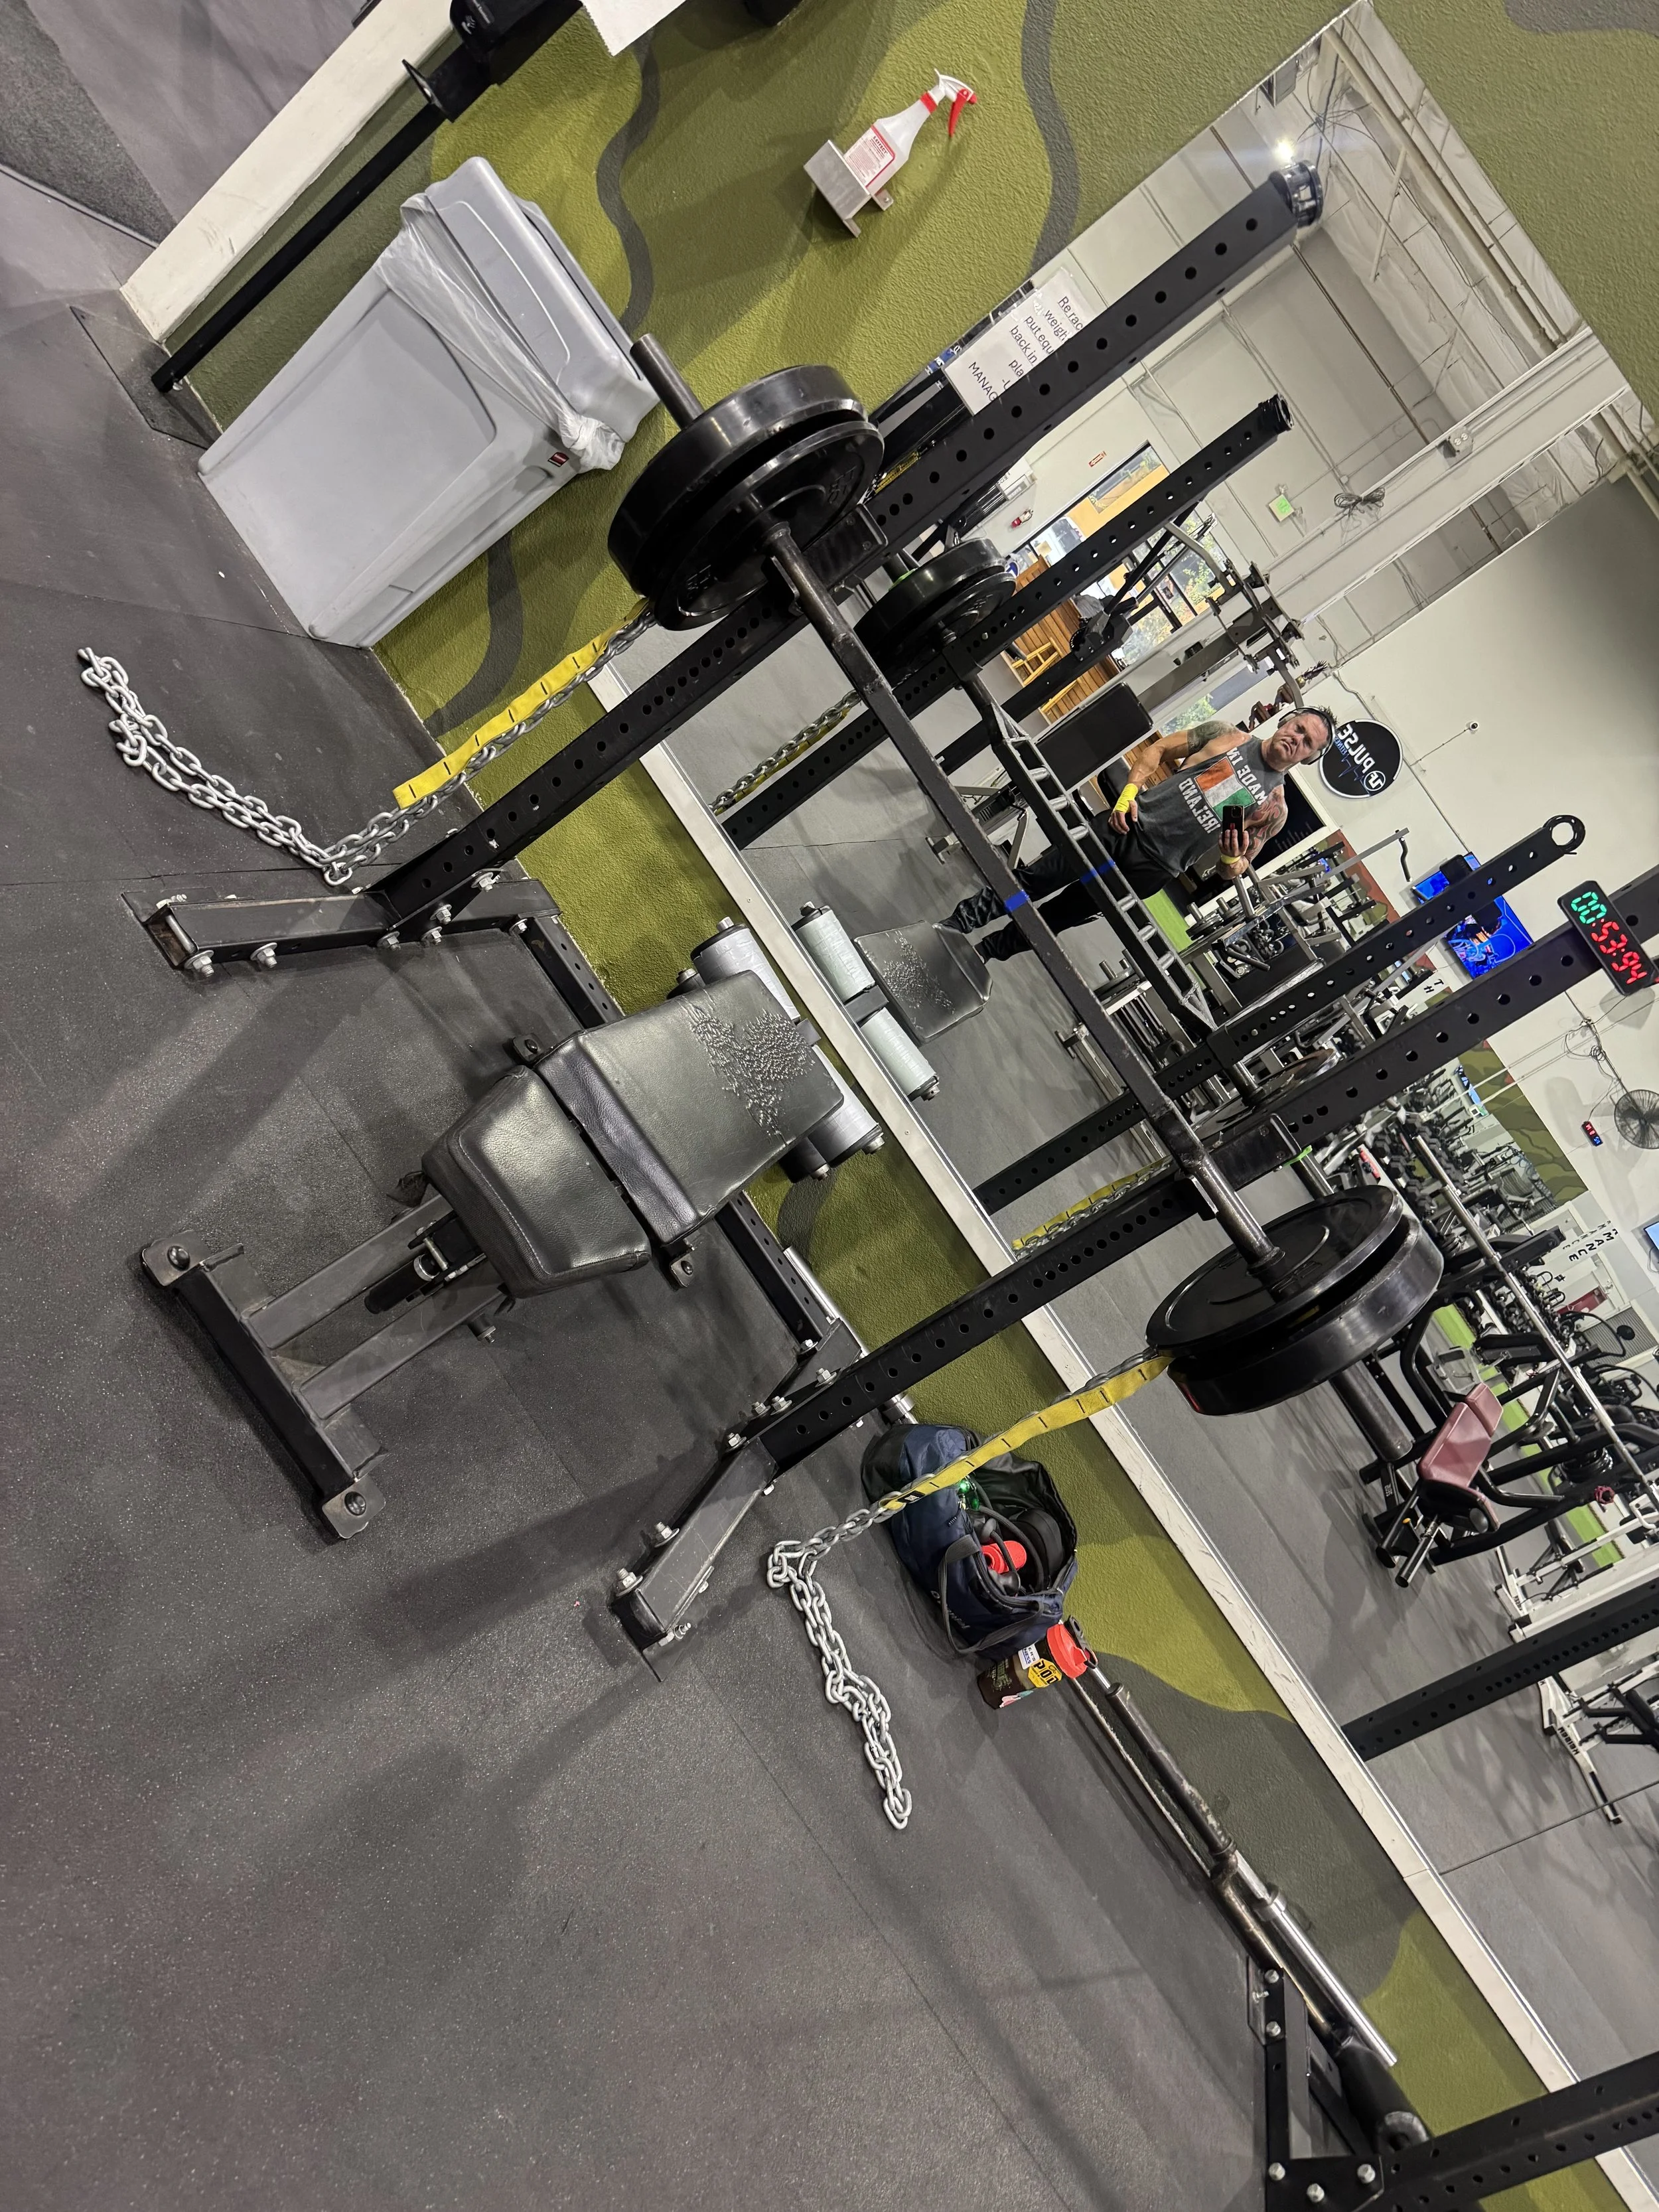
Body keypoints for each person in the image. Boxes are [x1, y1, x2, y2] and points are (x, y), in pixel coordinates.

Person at [945, 705, 1335, 961]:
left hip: (1151, 870)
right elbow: (1158, 750)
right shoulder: (1226, 735)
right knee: (1034, 880)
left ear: (1309, 757)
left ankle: (983, 953)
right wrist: (1129, 792)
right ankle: (958, 924)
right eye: (1298, 728)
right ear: (1286, 720)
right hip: (1124, 826)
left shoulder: (1274, 808)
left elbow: (1233, 871)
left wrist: (1231, 857)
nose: (1296, 739)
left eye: (1307, 742)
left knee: (1058, 916)